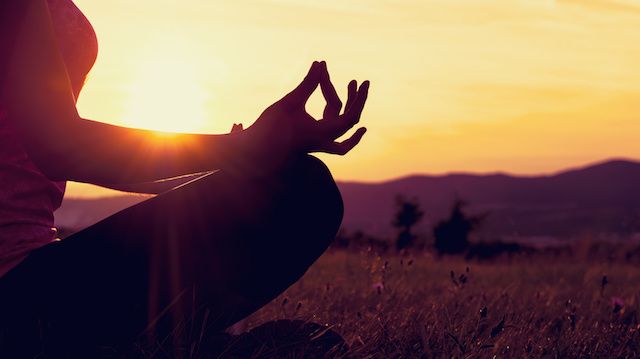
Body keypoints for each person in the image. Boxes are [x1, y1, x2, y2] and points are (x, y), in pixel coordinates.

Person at [0, 0, 369, 356]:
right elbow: (59, 146)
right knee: (301, 191)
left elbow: (50, 154)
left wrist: (239, 165)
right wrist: (245, 146)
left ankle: (152, 344)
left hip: (31, 270)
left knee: (286, 185)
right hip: (13, 293)